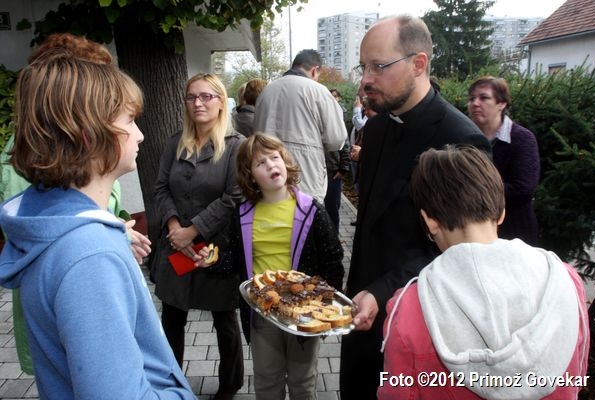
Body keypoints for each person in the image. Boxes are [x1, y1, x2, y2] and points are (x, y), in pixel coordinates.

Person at [0, 34, 195, 398]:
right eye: (130, 120)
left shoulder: (60, 226)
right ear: (89, 134)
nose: (139, 135)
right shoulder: (90, 255)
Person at [339, 14, 491, 400]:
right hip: (361, 314)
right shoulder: (375, 130)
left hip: (422, 325)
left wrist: (382, 291)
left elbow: (464, 250)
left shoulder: (461, 140)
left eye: (378, 66)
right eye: (363, 67)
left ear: (418, 64)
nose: (365, 79)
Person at [379, 145, 589, 399]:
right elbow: (576, 374)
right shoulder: (565, 280)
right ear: (501, 212)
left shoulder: (410, 307)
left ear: (429, 220)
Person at [151, 72, 245, 400]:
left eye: (206, 96)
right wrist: (174, 227)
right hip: (176, 245)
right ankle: (171, 382)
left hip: (214, 248)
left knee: (224, 318)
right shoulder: (175, 142)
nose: (198, 103)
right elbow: (161, 188)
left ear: (221, 102)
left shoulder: (236, 146)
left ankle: (230, 384)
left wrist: (193, 231)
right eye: (191, 97)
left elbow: (234, 196)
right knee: (172, 316)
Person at [230, 133, 344, 400]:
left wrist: (324, 311)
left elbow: (333, 260)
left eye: (274, 157)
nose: (271, 165)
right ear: (250, 175)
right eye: (260, 163)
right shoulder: (241, 213)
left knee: (302, 382)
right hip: (263, 312)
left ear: (285, 161)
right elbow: (233, 259)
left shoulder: (312, 210)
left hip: (303, 312)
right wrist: (211, 260)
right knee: (267, 381)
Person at [254, 49, 347, 203]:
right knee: (304, 217)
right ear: (315, 70)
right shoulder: (318, 91)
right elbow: (336, 140)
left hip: (266, 177)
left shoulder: (266, 91)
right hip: (305, 178)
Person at [468, 75, 541, 245]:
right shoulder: (465, 138)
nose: (475, 103)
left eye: (484, 98)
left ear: (502, 103)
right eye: (471, 99)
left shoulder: (522, 139)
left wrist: (473, 191)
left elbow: (523, 189)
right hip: (473, 231)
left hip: (514, 233)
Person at [324, 88, 351, 232]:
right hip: (319, 171)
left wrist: (342, 169)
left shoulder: (338, 120)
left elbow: (345, 146)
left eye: (335, 96)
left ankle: (333, 238)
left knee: (332, 209)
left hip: (333, 172)